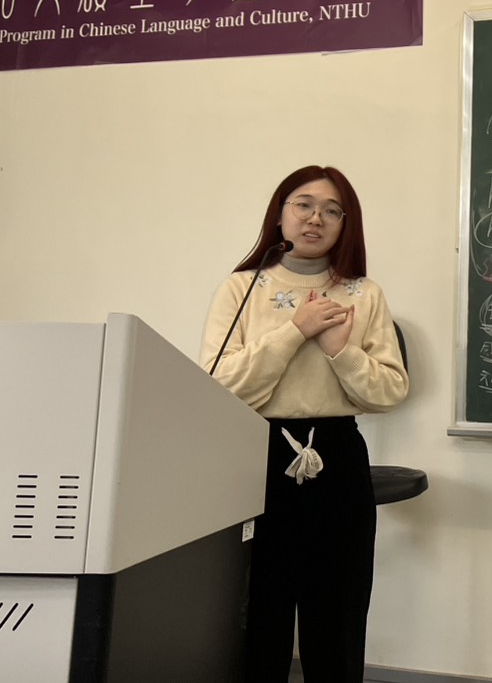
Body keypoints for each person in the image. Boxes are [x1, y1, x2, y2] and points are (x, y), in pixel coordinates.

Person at [200, 165, 409, 683]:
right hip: (256, 457)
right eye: (304, 205)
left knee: (337, 611)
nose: (316, 218)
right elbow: (219, 385)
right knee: (259, 608)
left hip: (338, 456)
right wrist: (295, 331)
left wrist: (341, 351)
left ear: (346, 224)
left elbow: (388, 392)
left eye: (333, 210)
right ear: (280, 214)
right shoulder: (242, 288)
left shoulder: (364, 293)